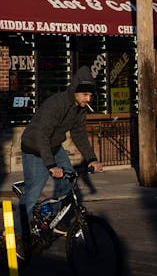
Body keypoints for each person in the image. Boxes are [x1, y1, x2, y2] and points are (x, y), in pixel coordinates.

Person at [19, 66, 103, 232]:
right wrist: (51, 165)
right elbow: (42, 135)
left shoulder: (80, 109)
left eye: (91, 95)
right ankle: (16, 234)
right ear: (75, 91)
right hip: (34, 148)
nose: (88, 99)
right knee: (32, 193)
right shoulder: (56, 104)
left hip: (55, 147)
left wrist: (91, 159)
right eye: (85, 94)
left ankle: (50, 219)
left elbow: (79, 134)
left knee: (68, 184)